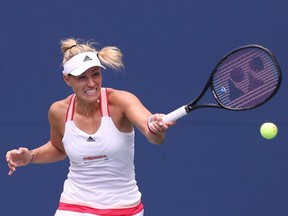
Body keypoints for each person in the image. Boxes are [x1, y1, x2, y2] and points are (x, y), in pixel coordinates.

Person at [6, 38, 174, 216]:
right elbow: (58, 148)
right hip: (74, 206)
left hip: (125, 209)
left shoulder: (120, 101)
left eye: (95, 74)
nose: (92, 83)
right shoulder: (58, 111)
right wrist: (31, 156)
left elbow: (153, 134)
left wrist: (156, 127)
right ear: (67, 80)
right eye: (82, 77)